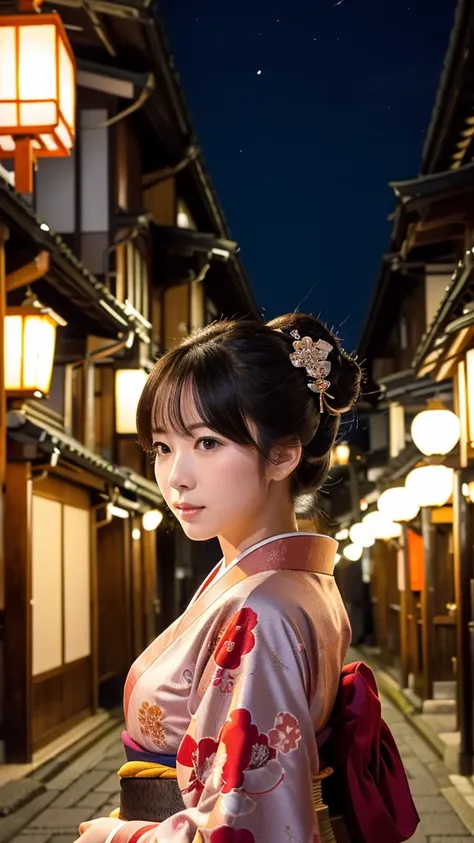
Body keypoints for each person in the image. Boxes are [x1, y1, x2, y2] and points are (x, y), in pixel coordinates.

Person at [76, 313, 361, 843]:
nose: (175, 476)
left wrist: (121, 837)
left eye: (207, 442)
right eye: (163, 447)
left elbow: (248, 825)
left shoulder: (265, 608)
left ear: (282, 454)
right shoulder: (285, 582)